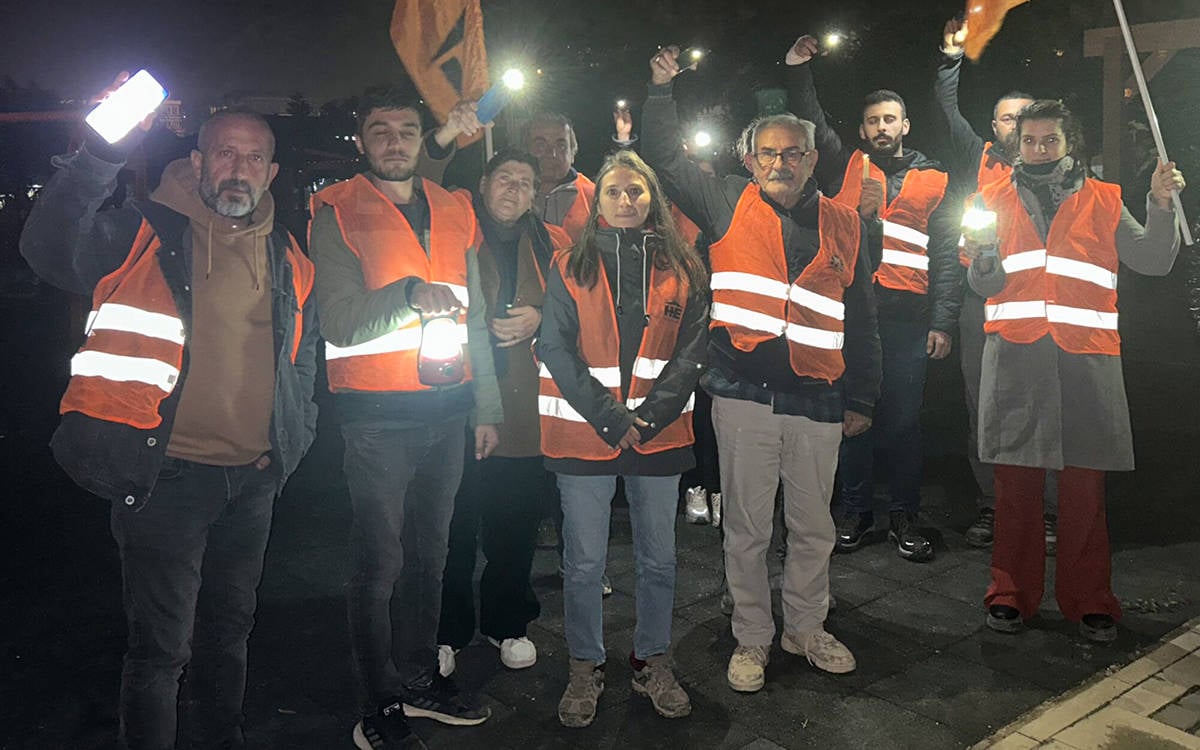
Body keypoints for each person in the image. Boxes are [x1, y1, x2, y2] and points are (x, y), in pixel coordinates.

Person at [20, 74, 319, 750]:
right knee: (160, 652)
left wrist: (293, 438)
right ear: (196, 162)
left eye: (252, 157)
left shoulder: (288, 253)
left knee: (230, 633)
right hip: (165, 482)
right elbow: (46, 249)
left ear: (270, 171)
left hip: (252, 480)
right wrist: (99, 153)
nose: (237, 169)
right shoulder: (141, 233)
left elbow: (302, 355)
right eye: (223, 153)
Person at [643, 47, 881, 693]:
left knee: (814, 526)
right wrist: (661, 90)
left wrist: (864, 393)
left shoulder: (846, 223)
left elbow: (861, 315)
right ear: (749, 160)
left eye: (794, 153)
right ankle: (753, 636)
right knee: (747, 529)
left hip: (821, 397)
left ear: (811, 159)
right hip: (743, 393)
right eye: (768, 154)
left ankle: (806, 627)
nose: (781, 163)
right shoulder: (722, 200)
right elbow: (663, 158)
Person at [308, 87, 503, 749]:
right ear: (361, 142)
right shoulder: (336, 211)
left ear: (424, 139)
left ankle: (420, 679)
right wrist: (409, 296)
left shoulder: (453, 208)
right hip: (377, 420)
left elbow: (471, 311)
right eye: (380, 131)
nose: (395, 141)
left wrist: (482, 403)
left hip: (448, 412)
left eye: (407, 130)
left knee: (433, 557)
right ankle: (378, 704)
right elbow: (336, 318)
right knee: (380, 564)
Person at [962, 100, 1184, 643]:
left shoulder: (1106, 199)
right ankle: (1010, 593)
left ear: (1069, 143)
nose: (1039, 149)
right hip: (1017, 357)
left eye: (1051, 140)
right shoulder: (987, 199)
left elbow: (1155, 259)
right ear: (1018, 145)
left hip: (1086, 359)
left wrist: (1159, 203)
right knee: (1015, 487)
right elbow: (982, 286)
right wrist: (984, 258)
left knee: (1085, 490)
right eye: (1031, 140)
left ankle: (1089, 600)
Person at [537, 149, 708, 727]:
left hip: (658, 439)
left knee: (658, 560)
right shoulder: (568, 264)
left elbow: (693, 351)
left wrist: (650, 417)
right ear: (598, 201)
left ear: (652, 198)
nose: (626, 200)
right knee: (584, 564)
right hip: (584, 437)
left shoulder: (682, 266)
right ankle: (585, 664)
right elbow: (554, 349)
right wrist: (613, 418)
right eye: (613, 191)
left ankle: (651, 658)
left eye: (636, 191)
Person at [787, 34, 961, 563]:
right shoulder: (847, 167)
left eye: (890, 119)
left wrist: (944, 321)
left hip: (909, 318)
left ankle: (905, 514)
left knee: (904, 421)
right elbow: (810, 119)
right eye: (872, 121)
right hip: (852, 317)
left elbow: (948, 256)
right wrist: (798, 71)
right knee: (853, 417)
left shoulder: (936, 180)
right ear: (862, 130)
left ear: (904, 125)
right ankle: (856, 512)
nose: (881, 128)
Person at [417, 104, 573, 674]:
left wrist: (541, 318)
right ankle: (448, 628)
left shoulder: (552, 241)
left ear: (537, 193)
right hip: (459, 397)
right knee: (453, 523)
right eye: (505, 178)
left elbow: (580, 311)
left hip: (525, 406)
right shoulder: (454, 221)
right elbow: (425, 175)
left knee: (512, 525)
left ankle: (508, 621)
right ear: (482, 184)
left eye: (526, 182)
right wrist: (449, 135)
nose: (515, 188)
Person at [934, 16, 1057, 551]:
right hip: (980, 303)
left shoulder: (1058, 173)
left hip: (1037, 304)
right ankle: (992, 504)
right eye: (1006, 118)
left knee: (1042, 405)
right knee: (982, 404)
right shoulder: (981, 157)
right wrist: (950, 59)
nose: (1014, 126)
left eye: (1025, 118)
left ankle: (1047, 511)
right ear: (994, 125)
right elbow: (946, 105)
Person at [526, 111, 595, 243]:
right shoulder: (511, 191)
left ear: (573, 154)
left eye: (561, 146)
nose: (551, 154)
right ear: (526, 149)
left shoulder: (594, 197)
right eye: (541, 145)